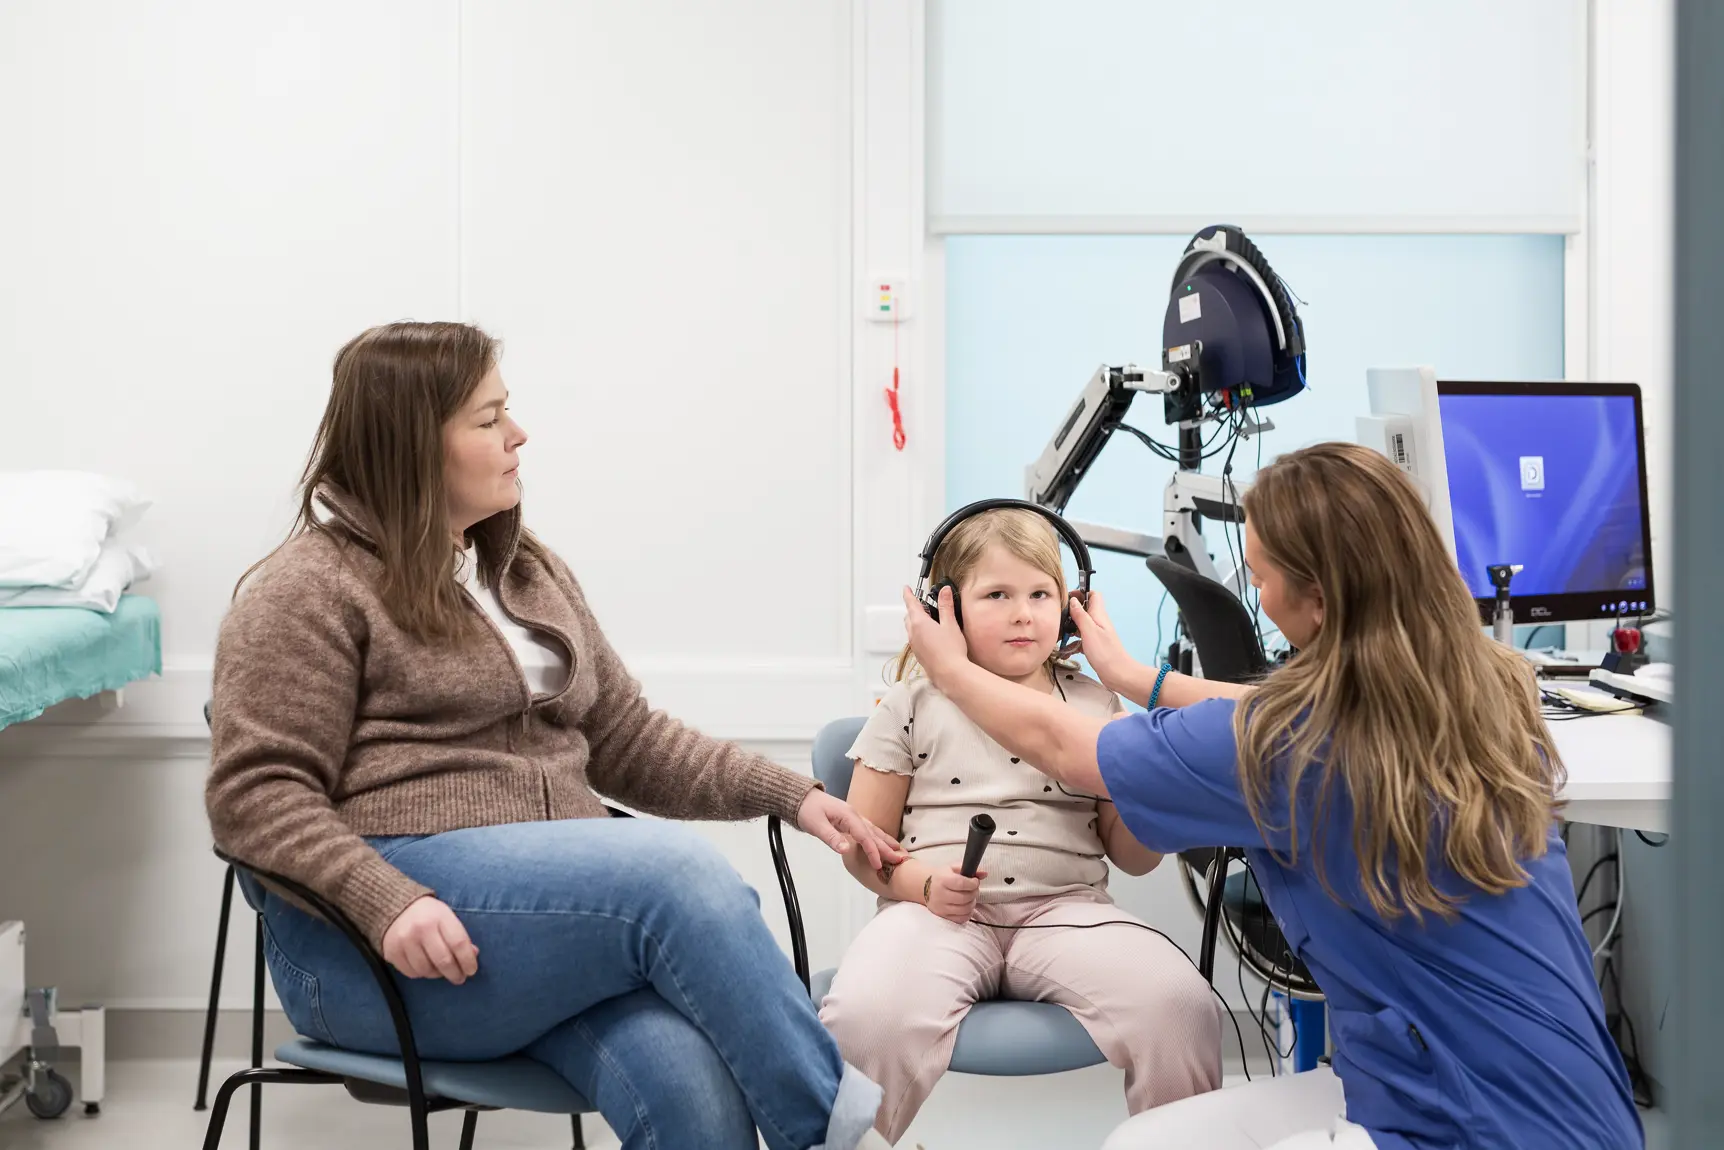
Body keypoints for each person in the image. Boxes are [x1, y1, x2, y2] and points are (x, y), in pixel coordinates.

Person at [207, 321, 906, 1150]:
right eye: (487, 417)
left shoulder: (526, 571)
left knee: (689, 1083)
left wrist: (793, 796)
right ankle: (850, 1143)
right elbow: (254, 796)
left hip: (538, 928)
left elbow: (625, 739)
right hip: (372, 948)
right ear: (410, 444)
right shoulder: (305, 589)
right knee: (671, 873)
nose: (518, 434)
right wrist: (383, 900)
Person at [899, 442, 1643, 1150]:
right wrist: (1131, 678)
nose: (1254, 593)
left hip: (1464, 1122)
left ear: (1316, 600)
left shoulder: (1277, 748)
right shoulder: (1485, 695)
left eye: (1258, 577)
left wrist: (952, 669)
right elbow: (1285, 716)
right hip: (1572, 1109)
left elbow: (1070, 749)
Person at [819, 506, 1221, 1143]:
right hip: (933, 914)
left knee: (1180, 1007)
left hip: (1068, 911)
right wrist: (923, 884)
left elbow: (1133, 857)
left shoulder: (1095, 702)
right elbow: (862, 845)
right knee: (868, 1017)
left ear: (1068, 606)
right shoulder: (912, 703)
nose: (1023, 612)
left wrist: (1153, 790)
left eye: (1040, 594)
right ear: (943, 609)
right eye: (997, 594)